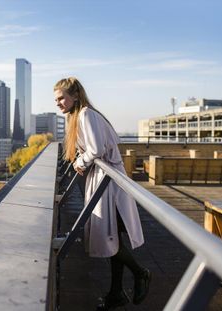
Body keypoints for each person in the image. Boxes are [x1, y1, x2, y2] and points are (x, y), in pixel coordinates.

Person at [54, 77, 151, 310]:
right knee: (112, 237)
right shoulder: (79, 116)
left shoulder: (85, 114)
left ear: (75, 96)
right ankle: (115, 294)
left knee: (110, 238)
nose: (57, 103)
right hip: (104, 182)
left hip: (109, 185)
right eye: (56, 99)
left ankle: (141, 273)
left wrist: (82, 161)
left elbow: (95, 149)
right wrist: (81, 158)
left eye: (61, 98)